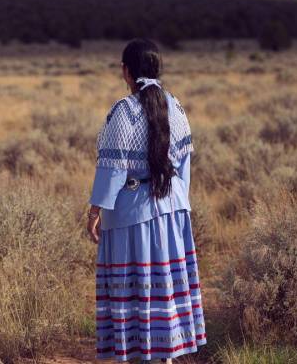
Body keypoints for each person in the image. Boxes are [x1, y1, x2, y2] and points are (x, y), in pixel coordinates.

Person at [86, 38, 206, 362]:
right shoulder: (176, 106)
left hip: (131, 218)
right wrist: (177, 204)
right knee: (163, 292)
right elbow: (184, 169)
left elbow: (111, 170)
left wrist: (94, 211)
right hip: (172, 213)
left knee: (136, 294)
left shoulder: (123, 112)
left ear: (126, 72)